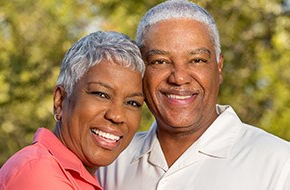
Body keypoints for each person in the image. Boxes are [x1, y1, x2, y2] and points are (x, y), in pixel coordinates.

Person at [96, 0, 290, 189]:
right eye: (160, 61)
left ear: (219, 67)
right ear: (140, 70)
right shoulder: (109, 161)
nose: (179, 78)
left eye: (196, 60)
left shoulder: (280, 163)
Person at [0, 31, 145, 190]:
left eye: (132, 103)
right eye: (101, 94)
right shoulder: (39, 172)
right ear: (60, 100)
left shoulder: (82, 177)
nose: (117, 115)